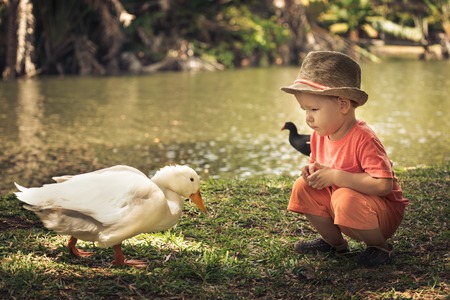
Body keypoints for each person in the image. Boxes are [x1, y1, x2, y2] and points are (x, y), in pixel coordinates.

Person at [280, 51, 409, 267]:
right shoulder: (319, 136)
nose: (308, 117)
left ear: (343, 105)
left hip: (379, 213)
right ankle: (335, 244)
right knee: (302, 187)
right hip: (343, 205)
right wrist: (313, 170)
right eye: (304, 110)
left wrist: (337, 176)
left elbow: (384, 185)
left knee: (344, 197)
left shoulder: (363, 138)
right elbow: (322, 166)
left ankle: (379, 247)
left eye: (314, 109)